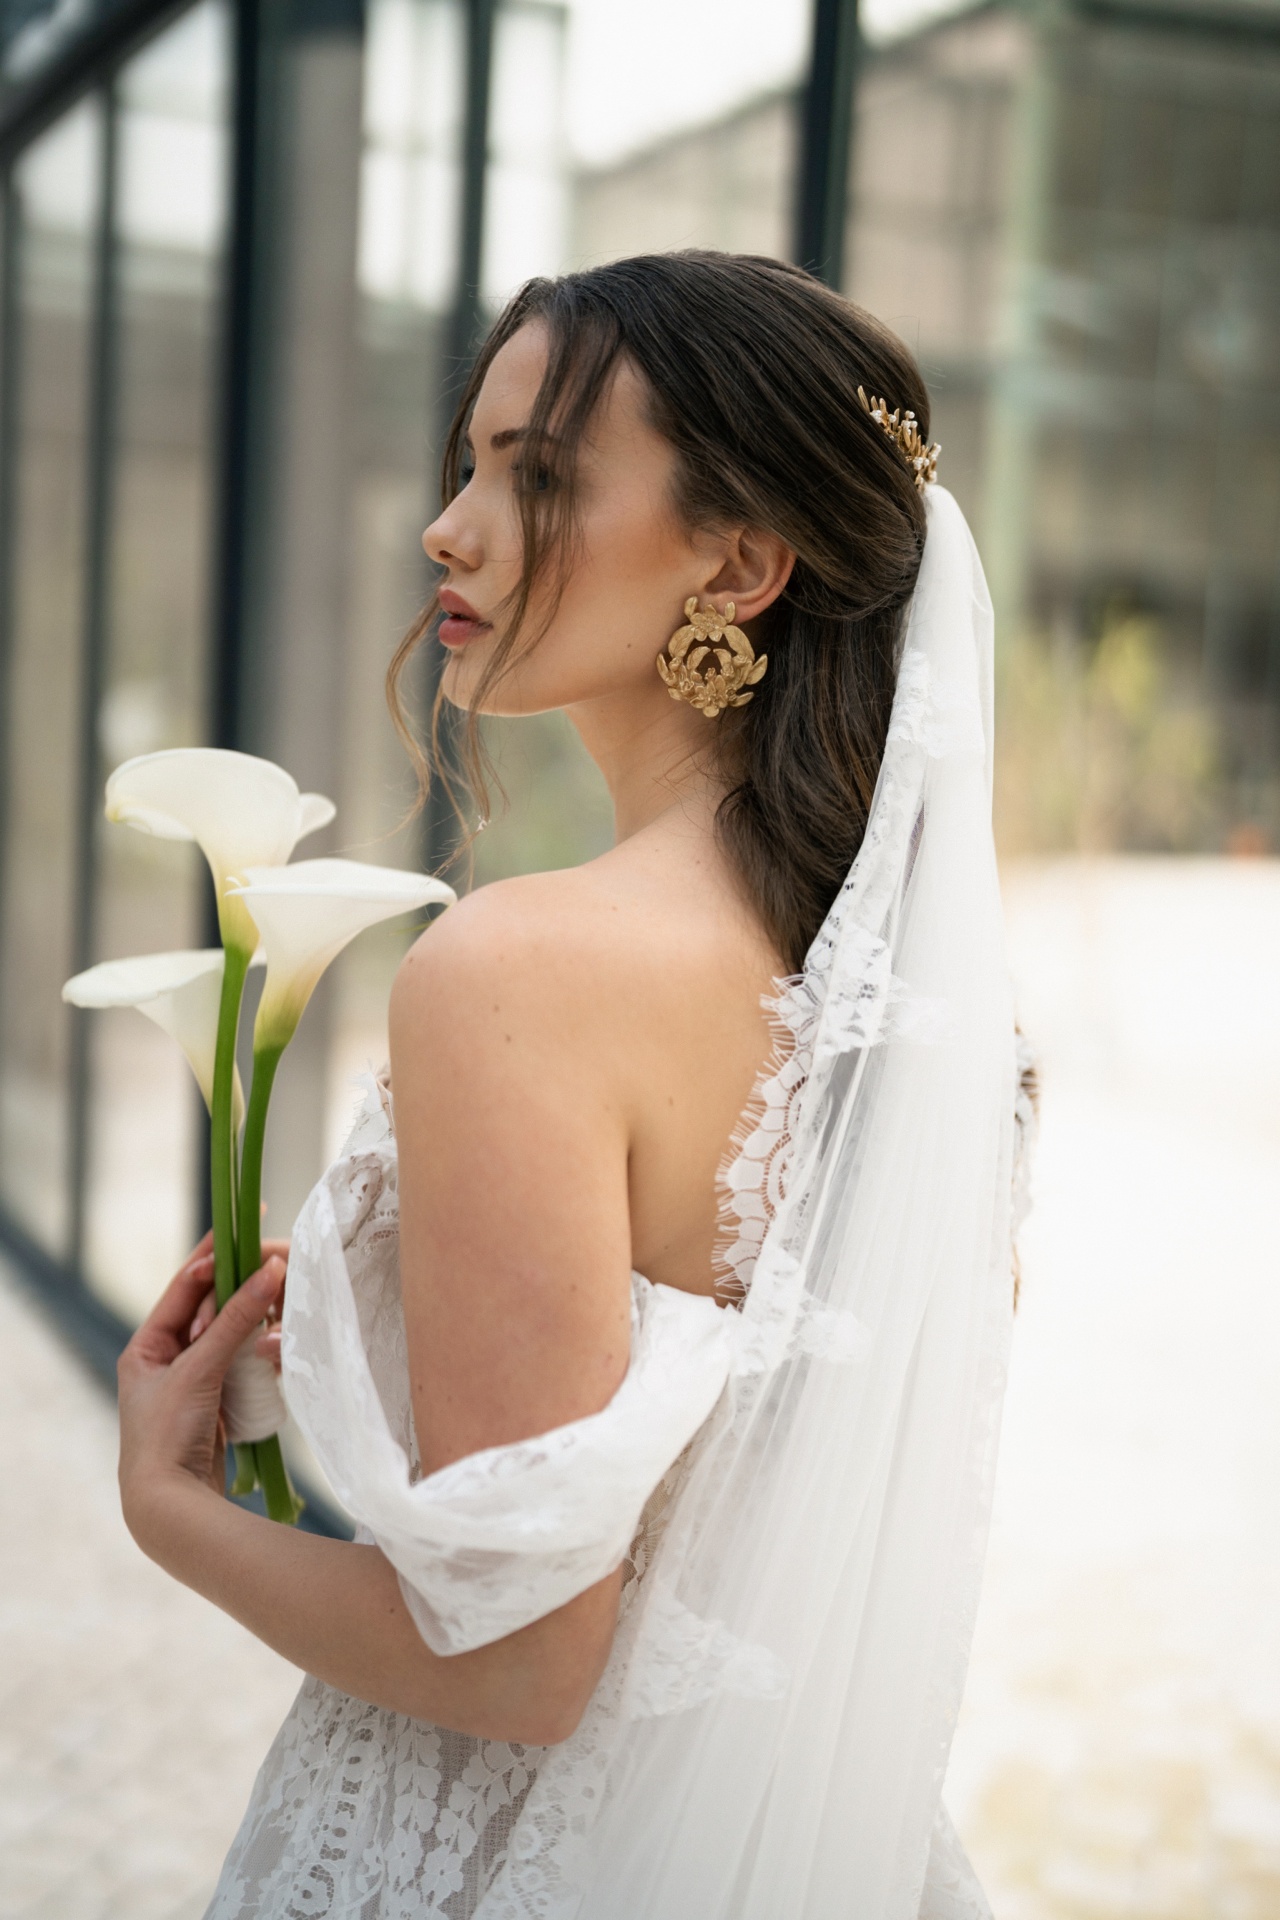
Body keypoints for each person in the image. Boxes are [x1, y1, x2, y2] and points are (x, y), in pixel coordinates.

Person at [116, 252, 1020, 1919]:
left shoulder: (518, 971)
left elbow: (521, 1668)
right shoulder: (909, 1010)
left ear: (741, 564)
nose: (447, 529)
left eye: (534, 477)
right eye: (468, 463)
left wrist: (171, 1509)